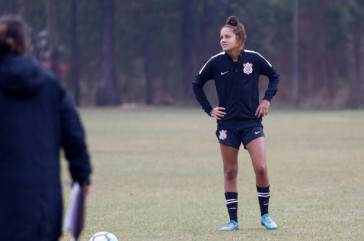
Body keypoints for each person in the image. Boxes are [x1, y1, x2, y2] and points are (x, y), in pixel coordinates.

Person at [0, 15, 92, 241]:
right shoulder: (49, 83)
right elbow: (74, 136)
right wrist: (82, 177)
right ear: (25, 44)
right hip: (43, 203)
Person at [192, 16, 279, 231]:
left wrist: (267, 99)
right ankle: (233, 220)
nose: (223, 40)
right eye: (221, 37)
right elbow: (197, 84)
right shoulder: (215, 62)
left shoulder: (254, 58)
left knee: (261, 167)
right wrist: (209, 109)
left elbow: (274, 76)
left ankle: (265, 215)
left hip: (252, 123)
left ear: (238, 37)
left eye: (227, 36)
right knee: (230, 172)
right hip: (227, 125)